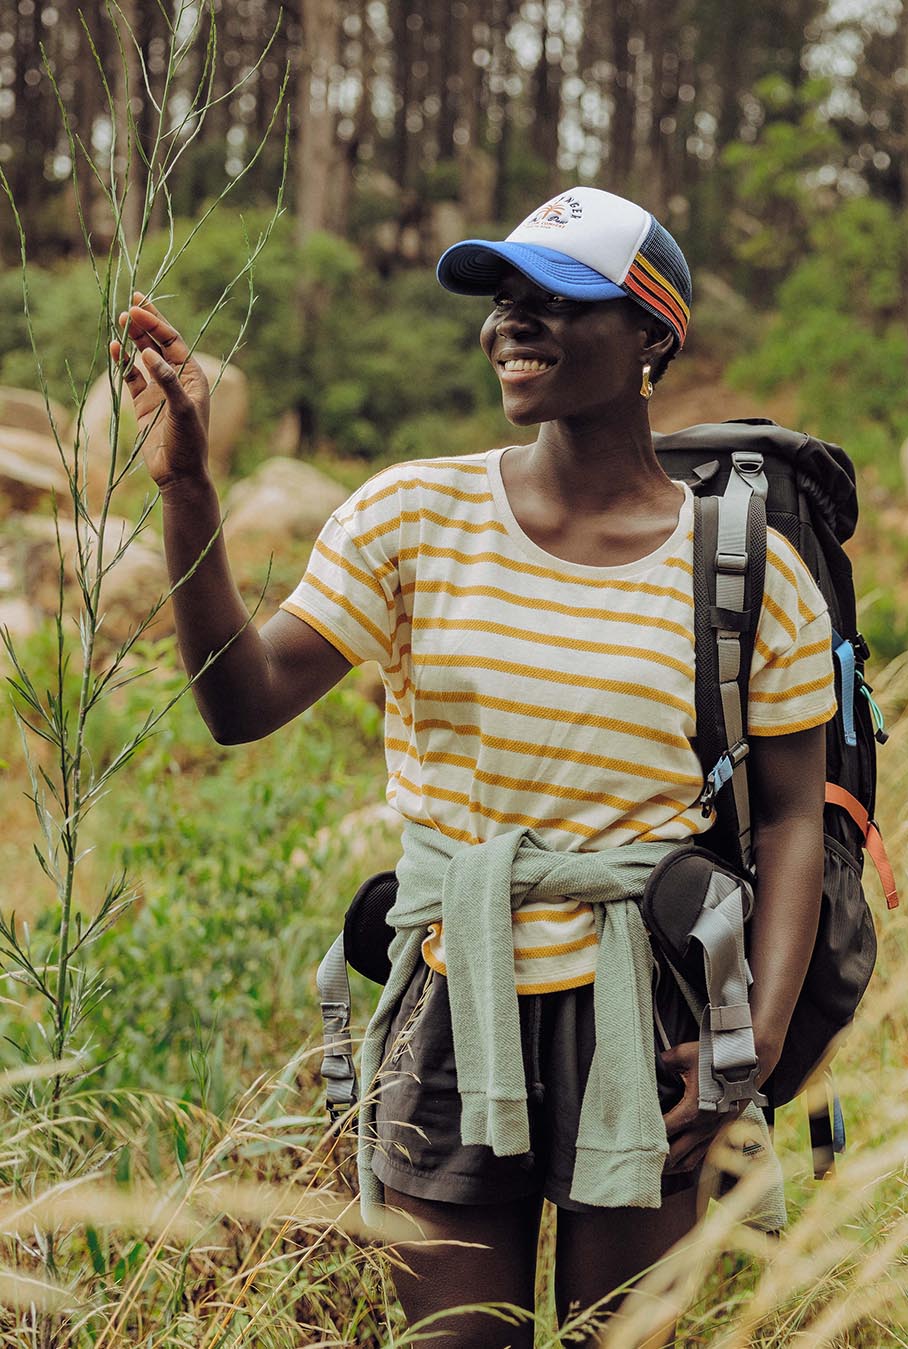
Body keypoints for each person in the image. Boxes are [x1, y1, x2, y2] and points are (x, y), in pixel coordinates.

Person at [112, 186, 835, 1349]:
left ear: (653, 335)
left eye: (559, 298)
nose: (515, 319)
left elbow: (796, 818)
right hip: (451, 992)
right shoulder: (413, 513)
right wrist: (188, 484)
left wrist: (750, 1043)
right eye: (503, 296)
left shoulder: (743, 567)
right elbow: (238, 703)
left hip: (642, 1006)